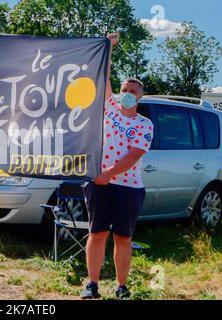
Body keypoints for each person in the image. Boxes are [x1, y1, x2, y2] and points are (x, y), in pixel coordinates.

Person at [80, 32, 154, 299]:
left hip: (128, 187)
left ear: (141, 97)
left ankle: (121, 286)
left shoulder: (145, 125)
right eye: (125, 90)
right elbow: (104, 74)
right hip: (98, 183)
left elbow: (134, 155)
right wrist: (107, 48)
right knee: (97, 233)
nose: (128, 94)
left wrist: (109, 174)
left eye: (133, 91)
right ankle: (92, 284)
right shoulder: (109, 107)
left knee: (123, 237)